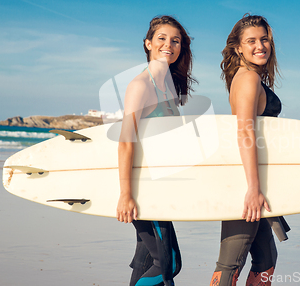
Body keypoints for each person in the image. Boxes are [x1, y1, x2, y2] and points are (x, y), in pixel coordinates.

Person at [116, 15, 196, 286]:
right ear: (148, 43)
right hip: (144, 189)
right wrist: (126, 195)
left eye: (175, 41)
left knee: (147, 260)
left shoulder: (169, 88)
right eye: (161, 38)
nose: (169, 45)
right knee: (168, 264)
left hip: (161, 185)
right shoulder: (141, 86)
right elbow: (126, 141)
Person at [210, 14, 289, 286]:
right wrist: (253, 189)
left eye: (264, 39)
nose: (260, 46)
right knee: (230, 265)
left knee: (266, 260)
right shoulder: (247, 79)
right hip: (246, 185)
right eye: (251, 41)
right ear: (238, 47)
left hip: (256, 182)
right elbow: (244, 132)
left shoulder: (249, 77)